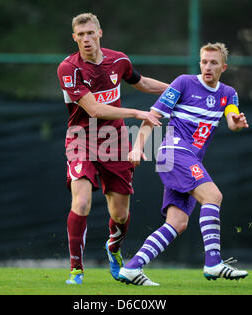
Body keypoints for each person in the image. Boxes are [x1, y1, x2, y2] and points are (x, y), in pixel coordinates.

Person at [118, 42, 250, 286]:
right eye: (204, 61)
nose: (208, 66)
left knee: (178, 223)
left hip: (189, 158)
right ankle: (213, 263)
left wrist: (237, 121)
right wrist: (137, 146)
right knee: (213, 196)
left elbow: (231, 117)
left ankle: (132, 267)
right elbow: (153, 116)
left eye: (213, 62)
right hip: (175, 152)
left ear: (224, 66)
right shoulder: (183, 83)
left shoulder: (228, 93)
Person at [57, 13, 168, 285]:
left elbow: (140, 83)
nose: (86, 38)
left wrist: (177, 90)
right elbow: (93, 109)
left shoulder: (119, 60)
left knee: (120, 214)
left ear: (99, 33)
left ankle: (114, 250)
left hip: (115, 140)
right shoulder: (68, 69)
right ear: (74, 38)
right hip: (81, 138)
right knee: (81, 203)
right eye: (80, 34)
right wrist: (136, 113)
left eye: (90, 33)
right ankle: (76, 270)